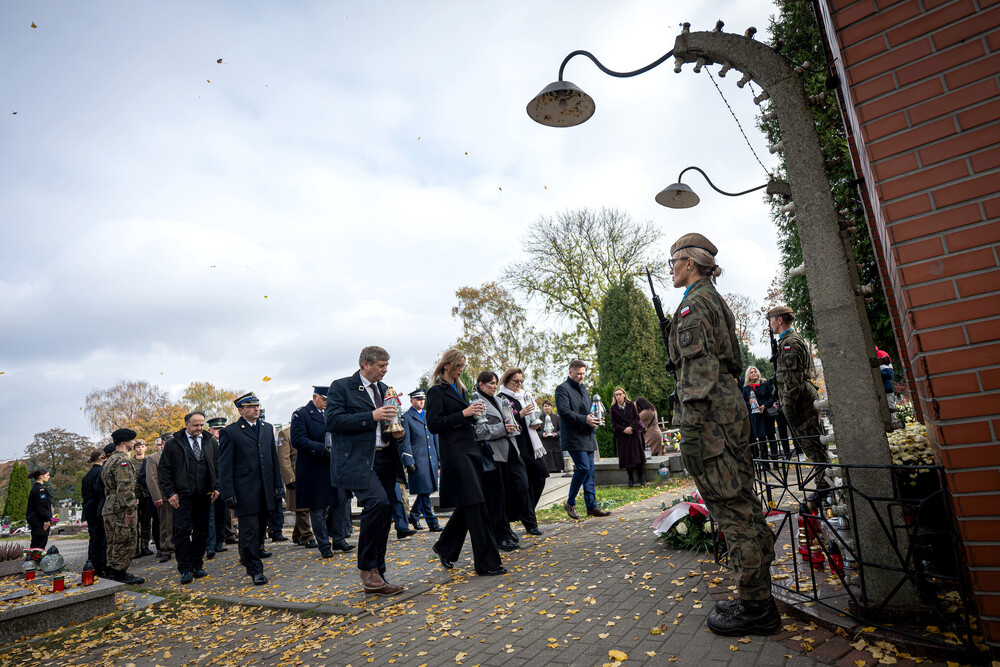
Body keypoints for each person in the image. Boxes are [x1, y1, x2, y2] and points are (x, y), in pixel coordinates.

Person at [666, 232, 778, 636]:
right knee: (744, 505)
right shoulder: (713, 298)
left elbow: (699, 372)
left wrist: (691, 430)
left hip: (711, 418)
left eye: (673, 262)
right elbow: (727, 360)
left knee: (733, 514)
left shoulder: (693, 305)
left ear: (690, 263)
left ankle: (756, 607)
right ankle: (759, 595)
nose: (672, 270)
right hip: (727, 412)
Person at [326, 346, 407, 595]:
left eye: (386, 366)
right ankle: (367, 568)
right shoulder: (341, 387)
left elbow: (391, 422)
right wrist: (371, 415)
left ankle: (378, 574)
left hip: (385, 458)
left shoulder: (385, 390)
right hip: (358, 461)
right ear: (365, 364)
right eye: (381, 366)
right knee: (378, 503)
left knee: (385, 513)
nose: (385, 370)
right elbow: (333, 421)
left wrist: (399, 434)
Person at [426, 349, 506, 576]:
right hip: (456, 456)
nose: (461, 369)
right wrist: (464, 413)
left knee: (469, 505)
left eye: (463, 365)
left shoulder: (461, 389)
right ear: (446, 365)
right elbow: (433, 424)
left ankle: (445, 547)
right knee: (477, 506)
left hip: (471, 452)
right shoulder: (435, 392)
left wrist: (473, 415)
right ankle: (487, 563)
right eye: (458, 365)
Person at [219, 392, 284, 586]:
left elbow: (273, 459)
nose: (256, 409)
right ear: (240, 410)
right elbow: (225, 465)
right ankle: (255, 570)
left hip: (266, 490)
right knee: (249, 532)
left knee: (260, 530)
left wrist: (277, 485)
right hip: (245, 491)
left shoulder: (266, 428)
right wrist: (228, 492)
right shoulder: (230, 432)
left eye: (257, 405)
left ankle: (250, 557)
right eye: (251, 406)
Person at [767, 305, 831, 494]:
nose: (771, 324)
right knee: (813, 447)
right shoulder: (787, 341)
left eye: (772, 320)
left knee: (814, 447)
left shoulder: (790, 344)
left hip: (800, 403)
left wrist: (786, 406)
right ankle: (825, 487)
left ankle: (826, 488)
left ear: (779, 320)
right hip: (799, 399)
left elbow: (793, 381)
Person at [292, 386, 353, 558]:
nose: (327, 403)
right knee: (317, 508)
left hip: (334, 467)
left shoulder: (332, 414)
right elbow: (298, 440)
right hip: (314, 468)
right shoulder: (302, 414)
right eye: (324, 399)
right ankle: (324, 544)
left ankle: (339, 539)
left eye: (329, 400)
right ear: (315, 397)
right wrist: (321, 449)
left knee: (341, 501)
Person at [159, 412, 220, 584]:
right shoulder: (173, 444)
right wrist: (170, 493)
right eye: (195, 425)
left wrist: (217, 487)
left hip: (205, 495)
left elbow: (217, 466)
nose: (199, 428)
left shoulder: (210, 442)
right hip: (182, 496)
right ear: (186, 424)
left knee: (202, 531)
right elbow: (164, 471)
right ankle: (184, 569)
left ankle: (197, 565)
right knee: (183, 532)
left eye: (201, 425)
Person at [474, 370, 527, 552]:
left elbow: (510, 422)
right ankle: (501, 535)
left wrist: (515, 425)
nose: (494, 386)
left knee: (520, 488)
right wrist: (503, 428)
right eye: (490, 383)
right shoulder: (477, 402)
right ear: (480, 384)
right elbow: (480, 432)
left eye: (496, 383)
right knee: (498, 498)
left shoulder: (498, 400)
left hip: (511, 451)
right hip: (493, 455)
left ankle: (506, 526)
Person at [555, 360, 611, 520]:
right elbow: (564, 412)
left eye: (583, 374)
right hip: (573, 437)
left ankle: (591, 506)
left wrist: (596, 421)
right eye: (578, 373)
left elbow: (589, 412)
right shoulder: (562, 389)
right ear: (570, 372)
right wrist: (585, 419)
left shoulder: (584, 389)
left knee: (590, 472)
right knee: (583, 468)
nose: (581, 377)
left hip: (588, 436)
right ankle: (570, 503)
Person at [498, 368, 548, 536]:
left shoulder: (525, 395)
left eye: (521, 381)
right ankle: (530, 522)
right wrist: (520, 414)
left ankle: (525, 512)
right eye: (515, 381)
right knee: (523, 486)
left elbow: (534, 417)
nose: (519, 384)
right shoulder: (502, 398)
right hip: (517, 445)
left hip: (532, 442)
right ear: (506, 381)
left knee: (540, 476)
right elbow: (506, 421)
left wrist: (536, 422)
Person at [101, 429, 145, 585]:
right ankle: (119, 573)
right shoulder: (122, 461)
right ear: (125, 442)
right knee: (125, 539)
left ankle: (113, 572)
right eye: (132, 441)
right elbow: (125, 486)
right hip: (120, 507)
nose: (134, 443)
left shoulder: (109, 461)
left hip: (110, 505)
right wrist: (129, 509)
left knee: (113, 541)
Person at [400, 389, 441, 531]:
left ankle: (414, 515)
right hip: (418, 460)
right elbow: (405, 442)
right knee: (424, 491)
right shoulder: (406, 417)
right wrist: (409, 461)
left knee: (427, 490)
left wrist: (439, 458)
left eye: (422, 399)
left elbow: (435, 436)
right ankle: (432, 522)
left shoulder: (428, 414)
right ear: (411, 400)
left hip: (431, 459)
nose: (421, 401)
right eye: (418, 399)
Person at [277, 423, 316, 548]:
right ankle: (307, 537)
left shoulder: (309, 430)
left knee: (306, 508)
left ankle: (297, 535)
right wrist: (289, 478)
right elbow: (283, 458)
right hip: (296, 476)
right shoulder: (285, 433)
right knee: (302, 509)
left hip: (309, 475)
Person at [204, 417, 232, 557]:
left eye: (221, 429)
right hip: (211, 486)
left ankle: (220, 542)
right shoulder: (206, 443)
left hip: (225, 485)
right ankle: (210, 545)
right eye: (216, 429)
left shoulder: (228, 442)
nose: (219, 432)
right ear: (210, 430)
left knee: (223, 515)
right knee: (210, 516)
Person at [609, 387, 647, 487]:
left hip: (634, 433)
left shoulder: (631, 405)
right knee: (627, 457)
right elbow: (613, 423)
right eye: (616, 395)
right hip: (623, 435)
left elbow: (637, 418)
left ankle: (641, 477)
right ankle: (630, 478)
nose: (618, 396)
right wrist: (624, 429)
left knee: (638, 455)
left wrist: (631, 428)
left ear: (624, 394)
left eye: (620, 394)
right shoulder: (613, 408)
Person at [146, 434, 174, 563]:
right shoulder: (153, 458)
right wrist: (157, 496)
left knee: (181, 524)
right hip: (164, 497)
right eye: (168, 441)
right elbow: (152, 479)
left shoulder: (179, 454)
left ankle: (180, 546)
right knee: (166, 525)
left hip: (181, 495)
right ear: (163, 443)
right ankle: (166, 549)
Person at [742, 367, 778, 467]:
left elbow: (773, 397)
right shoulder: (746, 388)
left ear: (758, 373)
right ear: (748, 375)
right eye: (751, 372)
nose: (753, 374)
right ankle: (765, 464)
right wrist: (749, 403)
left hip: (767, 414)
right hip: (756, 416)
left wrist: (765, 405)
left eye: (755, 372)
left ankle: (776, 462)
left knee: (771, 437)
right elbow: (742, 402)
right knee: (761, 440)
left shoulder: (765, 383)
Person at [81, 449, 107, 576]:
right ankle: (99, 566)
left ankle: (92, 562)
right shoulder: (100, 473)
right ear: (102, 458)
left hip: (89, 509)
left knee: (94, 538)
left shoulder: (88, 474)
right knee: (100, 538)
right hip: (98, 509)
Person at [133, 440, 154, 559]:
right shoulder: (131, 462)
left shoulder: (149, 460)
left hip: (147, 494)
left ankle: (145, 546)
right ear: (134, 449)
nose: (140, 449)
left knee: (146, 521)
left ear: (145, 448)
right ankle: (135, 548)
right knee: (135, 523)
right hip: (135, 495)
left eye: (142, 447)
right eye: (138, 447)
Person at [26, 469, 53, 549]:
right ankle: (35, 560)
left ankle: (34, 560)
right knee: (39, 545)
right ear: (41, 476)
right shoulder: (40, 490)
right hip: (40, 522)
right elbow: (42, 506)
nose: (49, 477)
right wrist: (46, 520)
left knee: (36, 544)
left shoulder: (35, 488)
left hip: (36, 521)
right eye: (47, 475)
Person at [539, 400, 564, 473]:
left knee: (557, 466)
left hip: (555, 443)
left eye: (548, 406)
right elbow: (536, 431)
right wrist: (542, 434)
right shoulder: (539, 418)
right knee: (548, 466)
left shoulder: (557, 418)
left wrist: (556, 434)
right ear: (543, 408)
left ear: (551, 407)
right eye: (545, 406)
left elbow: (561, 430)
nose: (547, 408)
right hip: (545, 443)